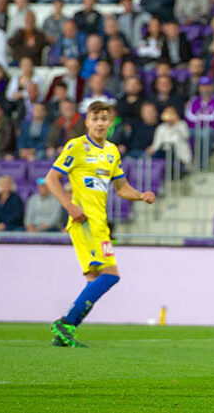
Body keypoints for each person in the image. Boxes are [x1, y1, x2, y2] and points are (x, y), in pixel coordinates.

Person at [45, 100, 156, 347]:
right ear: (87, 122)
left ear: (110, 122)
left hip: (99, 223)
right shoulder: (76, 147)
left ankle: (65, 333)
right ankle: (67, 323)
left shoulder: (112, 151)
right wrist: (70, 206)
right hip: (85, 223)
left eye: (104, 119)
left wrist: (141, 195)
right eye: (95, 118)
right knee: (110, 276)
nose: (99, 123)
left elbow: (122, 187)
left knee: (95, 280)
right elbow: (52, 179)